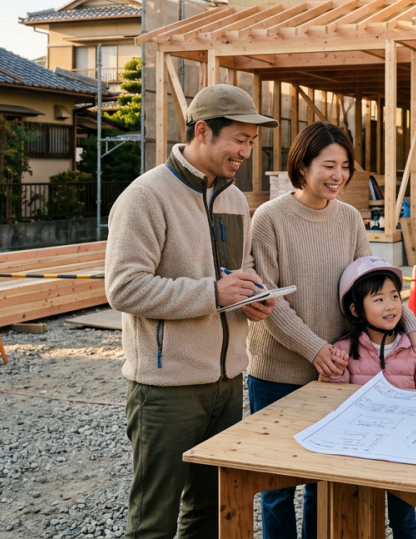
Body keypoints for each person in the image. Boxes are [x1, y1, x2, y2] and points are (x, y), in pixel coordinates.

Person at [105, 84, 278, 539]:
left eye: (250, 143)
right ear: (203, 131)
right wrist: (213, 294)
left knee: (209, 512)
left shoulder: (234, 199)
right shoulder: (145, 197)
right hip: (166, 388)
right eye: (238, 140)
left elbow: (234, 274)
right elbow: (123, 288)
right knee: (153, 520)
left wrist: (250, 297)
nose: (245, 152)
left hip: (226, 381)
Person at [248, 122, 416, 539]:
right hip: (278, 370)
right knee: (277, 484)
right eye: (328, 165)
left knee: (322, 479)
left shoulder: (349, 217)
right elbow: (268, 301)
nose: (338, 176)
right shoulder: (269, 218)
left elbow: (373, 283)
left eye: (345, 167)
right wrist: (315, 349)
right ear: (303, 164)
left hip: (337, 372)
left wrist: (412, 324)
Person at [320, 256, 416, 539]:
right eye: (378, 299)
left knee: (404, 514)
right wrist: (336, 370)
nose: (390, 305)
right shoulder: (343, 349)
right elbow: (333, 400)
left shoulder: (414, 349)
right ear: (355, 308)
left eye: (395, 296)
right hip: (361, 448)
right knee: (359, 512)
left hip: (403, 447)